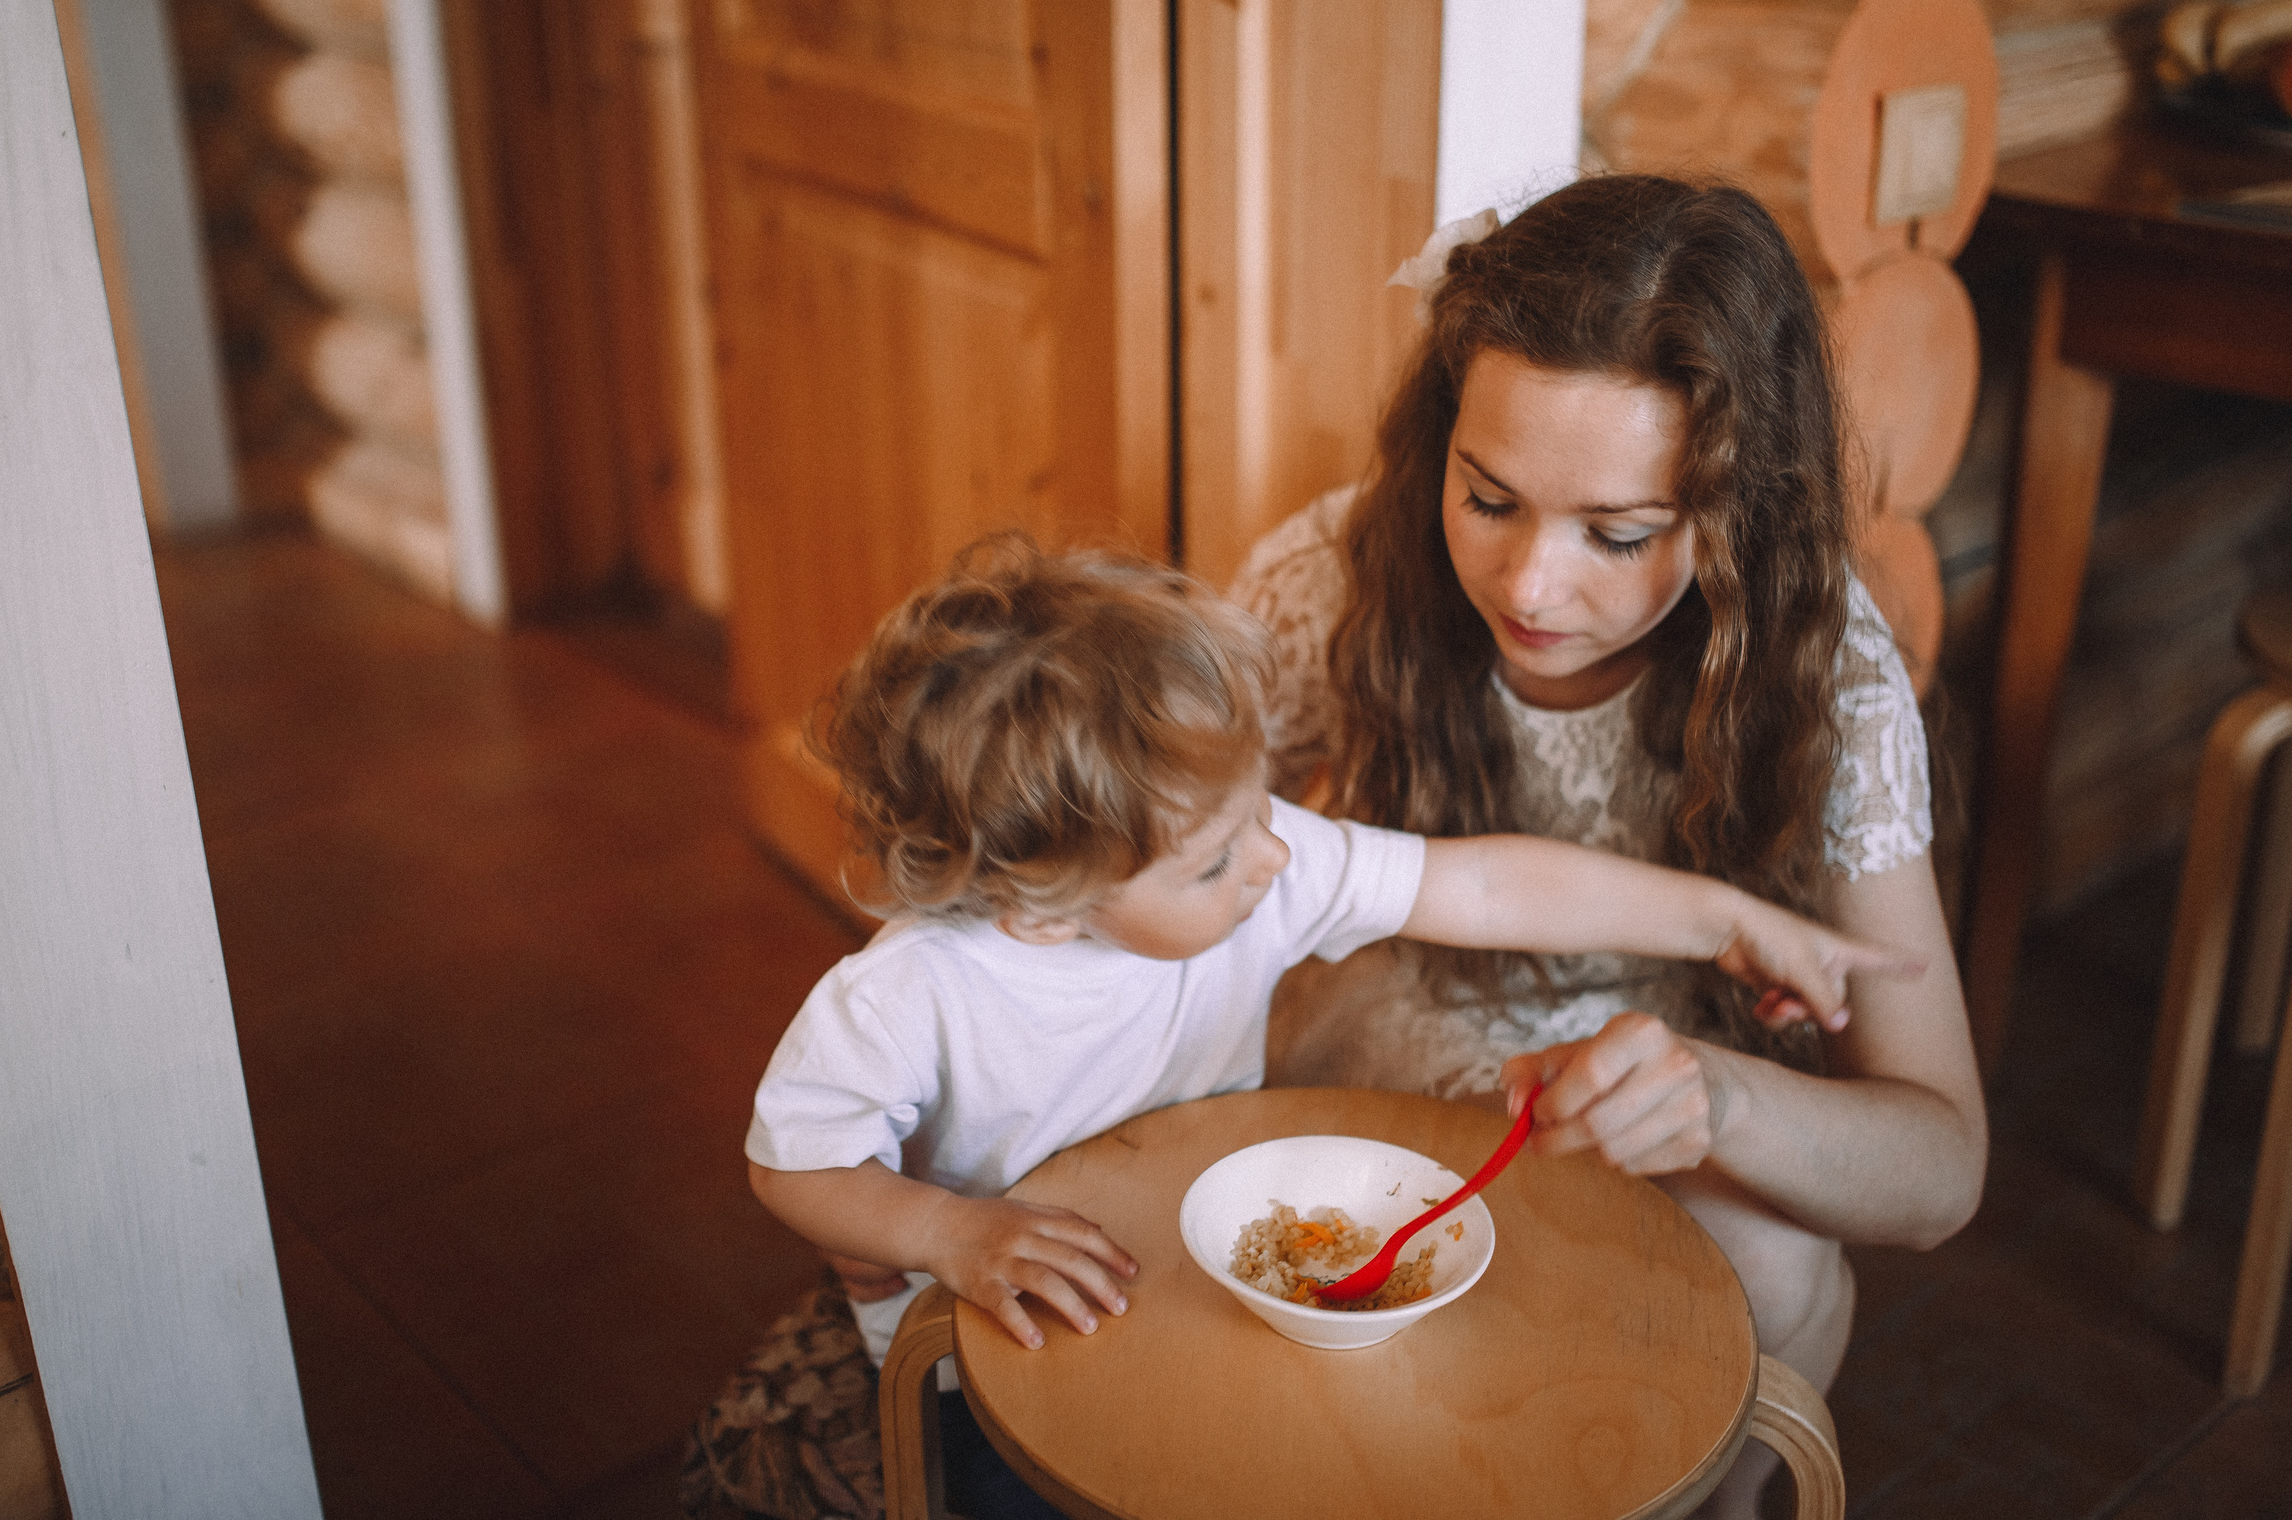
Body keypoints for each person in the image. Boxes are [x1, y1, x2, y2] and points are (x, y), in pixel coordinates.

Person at [746, 535, 1919, 1520]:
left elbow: (1484, 886)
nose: (1275, 856)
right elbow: (792, 1162)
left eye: (1259, 808)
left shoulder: (1253, 862)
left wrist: (1727, 922)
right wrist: (947, 1232)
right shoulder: (908, 995)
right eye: (1216, 857)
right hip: (1005, 1343)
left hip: (1185, 1277)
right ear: (1042, 904)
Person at [1232, 173, 1987, 1517]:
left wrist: (1722, 1099)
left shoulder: (1822, 666)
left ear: (1739, 509)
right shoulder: (1331, 576)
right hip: (1385, 1034)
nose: (1532, 585)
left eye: (1619, 534)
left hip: (1659, 1076)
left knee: (1776, 1265)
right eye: (1489, 497)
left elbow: (1941, 1169)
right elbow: (1149, 865)